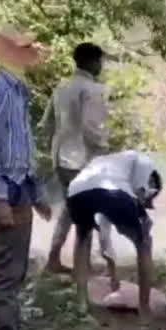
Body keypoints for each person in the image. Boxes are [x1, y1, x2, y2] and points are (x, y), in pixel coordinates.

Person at [0, 28, 53, 330]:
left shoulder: (19, 90)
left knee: (16, 269)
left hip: (20, 187)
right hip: (6, 189)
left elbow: (22, 148)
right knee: (7, 273)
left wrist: (36, 194)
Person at [65, 150, 162, 319]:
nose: (147, 203)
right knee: (144, 243)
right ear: (152, 182)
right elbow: (140, 191)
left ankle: (81, 303)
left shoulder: (103, 160)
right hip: (113, 192)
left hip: (76, 191)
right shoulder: (143, 161)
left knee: (82, 239)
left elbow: (105, 226)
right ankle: (144, 309)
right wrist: (142, 219)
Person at [40, 42, 110, 274]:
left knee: (71, 209)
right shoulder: (93, 90)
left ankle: (54, 259)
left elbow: (46, 124)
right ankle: (83, 265)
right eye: (99, 61)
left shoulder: (62, 87)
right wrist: (104, 149)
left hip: (61, 158)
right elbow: (92, 127)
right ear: (91, 62)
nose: (101, 66)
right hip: (83, 159)